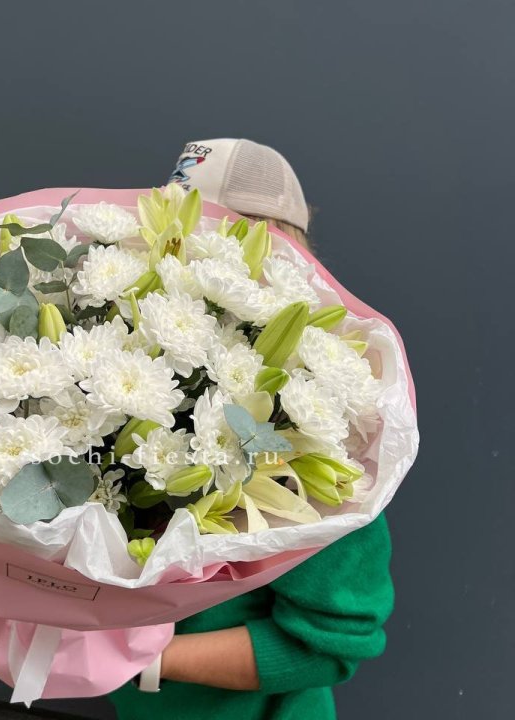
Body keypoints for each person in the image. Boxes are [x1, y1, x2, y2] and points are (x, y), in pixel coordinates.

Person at [108, 139, 394, 720]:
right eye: (164, 239)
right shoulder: (119, 383)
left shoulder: (316, 427)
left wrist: (140, 661)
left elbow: (333, 639)